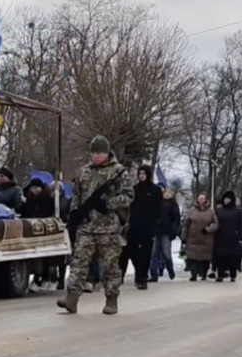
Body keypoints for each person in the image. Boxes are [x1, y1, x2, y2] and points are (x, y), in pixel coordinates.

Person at [57, 135, 133, 315]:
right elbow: (77, 195)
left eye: (100, 152)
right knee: (79, 262)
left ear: (107, 152)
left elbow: (129, 196)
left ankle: (111, 298)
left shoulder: (118, 171)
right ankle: (72, 297)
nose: (96, 156)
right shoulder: (84, 171)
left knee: (110, 265)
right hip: (87, 226)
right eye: (94, 152)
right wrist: (75, 213)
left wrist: (108, 204)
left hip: (108, 228)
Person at [119, 165, 162, 290]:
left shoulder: (155, 190)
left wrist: (155, 225)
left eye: (144, 173)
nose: (141, 175)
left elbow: (158, 209)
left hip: (148, 226)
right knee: (132, 251)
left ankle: (142, 278)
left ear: (148, 174)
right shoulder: (134, 189)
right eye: (140, 173)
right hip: (134, 225)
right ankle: (138, 273)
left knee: (146, 254)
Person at [181, 194, 219, 282]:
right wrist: (184, 236)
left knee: (205, 258)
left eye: (203, 199)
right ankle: (193, 275)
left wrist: (208, 229)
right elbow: (185, 225)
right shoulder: (192, 211)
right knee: (192, 257)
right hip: (193, 238)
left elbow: (216, 224)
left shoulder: (211, 212)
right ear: (197, 200)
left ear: (205, 200)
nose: (201, 200)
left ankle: (204, 274)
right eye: (200, 199)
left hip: (206, 239)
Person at [213, 190, 242, 283]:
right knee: (220, 257)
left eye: (229, 199)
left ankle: (233, 274)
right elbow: (215, 222)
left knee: (232, 258)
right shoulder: (219, 211)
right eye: (225, 199)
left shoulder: (238, 211)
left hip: (233, 237)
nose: (227, 201)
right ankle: (220, 274)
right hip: (221, 237)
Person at [150, 186, 181, 281]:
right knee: (153, 254)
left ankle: (170, 269)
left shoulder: (171, 202)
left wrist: (174, 230)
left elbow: (176, 217)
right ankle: (153, 275)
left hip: (166, 231)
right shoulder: (153, 201)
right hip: (154, 230)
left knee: (166, 253)